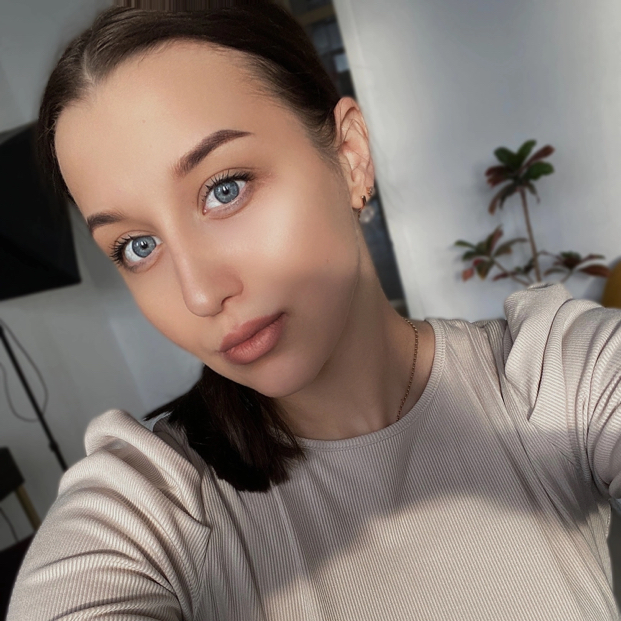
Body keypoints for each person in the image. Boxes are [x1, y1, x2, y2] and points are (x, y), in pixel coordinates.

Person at [7, 2, 621, 620]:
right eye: (138, 247)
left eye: (225, 189)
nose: (199, 295)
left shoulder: (554, 378)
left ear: (350, 154)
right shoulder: (150, 506)